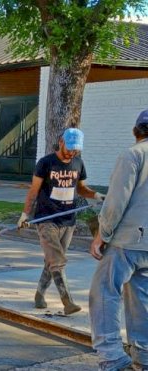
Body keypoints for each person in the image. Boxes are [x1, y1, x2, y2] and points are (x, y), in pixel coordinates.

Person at [18, 128, 104, 315]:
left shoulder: (78, 163)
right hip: (47, 219)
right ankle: (68, 302)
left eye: (76, 149)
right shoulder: (46, 163)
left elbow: (81, 189)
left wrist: (95, 195)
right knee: (57, 261)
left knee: (52, 261)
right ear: (61, 142)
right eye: (69, 148)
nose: (72, 152)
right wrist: (25, 214)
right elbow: (33, 191)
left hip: (68, 220)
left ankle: (39, 294)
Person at [89, 109, 148, 371]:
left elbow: (115, 204)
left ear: (136, 131)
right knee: (141, 298)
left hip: (127, 240)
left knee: (103, 292)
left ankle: (111, 356)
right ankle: (144, 357)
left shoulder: (132, 155)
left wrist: (102, 235)